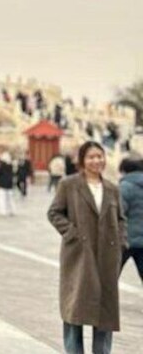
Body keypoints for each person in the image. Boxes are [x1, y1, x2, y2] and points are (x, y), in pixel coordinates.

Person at [48, 141, 126, 354]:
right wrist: (73, 234)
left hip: (106, 258)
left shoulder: (112, 188)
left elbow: (120, 219)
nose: (96, 161)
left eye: (99, 156)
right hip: (79, 257)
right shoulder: (69, 185)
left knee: (105, 313)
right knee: (75, 309)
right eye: (91, 157)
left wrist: (120, 242)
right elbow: (54, 213)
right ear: (82, 160)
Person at [119, 154, 143, 282]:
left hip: (126, 240)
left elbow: (119, 212)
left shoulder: (125, 187)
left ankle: (105, 302)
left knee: (110, 276)